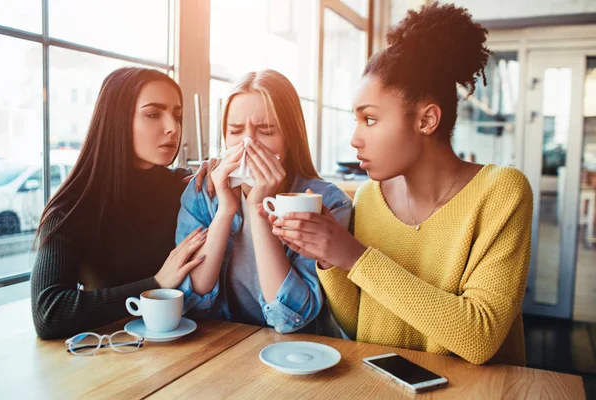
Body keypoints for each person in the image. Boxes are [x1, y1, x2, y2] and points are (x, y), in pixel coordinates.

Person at [269, 4, 533, 366]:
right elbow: (361, 326)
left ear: (426, 120)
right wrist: (329, 258)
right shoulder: (369, 197)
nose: (355, 139)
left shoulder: (502, 191)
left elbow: (480, 337)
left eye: (371, 119)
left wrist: (353, 255)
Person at [31, 67, 206, 339]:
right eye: (153, 114)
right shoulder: (74, 207)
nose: (172, 127)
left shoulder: (186, 188)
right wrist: (156, 285)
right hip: (114, 357)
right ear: (117, 120)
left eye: (177, 115)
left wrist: (222, 177)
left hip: (197, 346)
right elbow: (49, 312)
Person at [176, 69, 352, 333]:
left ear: (290, 137)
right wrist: (226, 210)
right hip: (221, 345)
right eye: (235, 130)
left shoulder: (325, 202)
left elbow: (291, 318)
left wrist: (259, 207)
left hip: (295, 353)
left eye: (266, 131)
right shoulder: (203, 191)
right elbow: (193, 300)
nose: (248, 143)